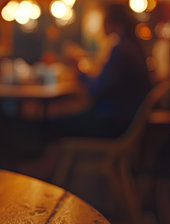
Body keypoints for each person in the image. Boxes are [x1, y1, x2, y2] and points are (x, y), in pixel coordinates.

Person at [53, 3, 152, 138]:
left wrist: (78, 68)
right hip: (125, 121)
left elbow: (96, 91)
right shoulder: (131, 46)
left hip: (113, 124)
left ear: (110, 21)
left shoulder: (120, 49)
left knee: (53, 124)